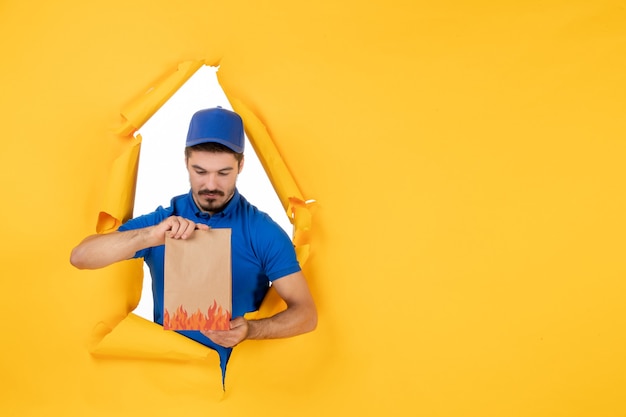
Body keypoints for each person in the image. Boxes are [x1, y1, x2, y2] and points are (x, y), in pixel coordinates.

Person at [70, 107, 317, 378]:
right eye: (200, 171)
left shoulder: (262, 231)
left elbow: (306, 314)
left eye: (223, 173)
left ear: (241, 166)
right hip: (169, 383)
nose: (210, 185)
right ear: (186, 162)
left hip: (237, 388)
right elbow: (80, 257)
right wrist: (150, 236)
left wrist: (252, 330)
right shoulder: (164, 219)